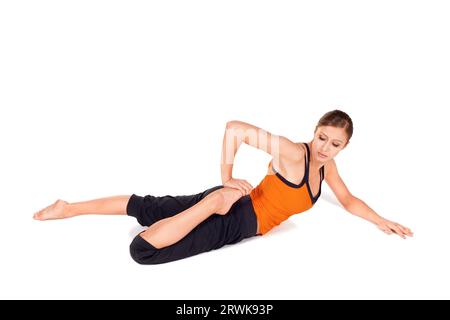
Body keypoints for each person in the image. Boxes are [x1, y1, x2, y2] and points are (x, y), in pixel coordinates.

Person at [33, 110, 413, 264]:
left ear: (344, 146)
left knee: (148, 206)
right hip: (240, 219)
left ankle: (68, 208)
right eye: (322, 137)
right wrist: (227, 177)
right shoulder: (295, 154)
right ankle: (210, 203)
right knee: (143, 250)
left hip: (236, 203)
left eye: (335, 143)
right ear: (314, 131)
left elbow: (346, 199)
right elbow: (235, 129)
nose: (326, 147)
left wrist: (381, 220)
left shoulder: (326, 167)